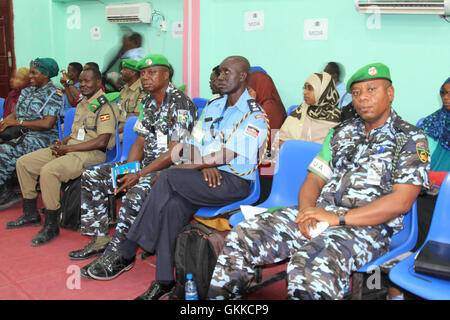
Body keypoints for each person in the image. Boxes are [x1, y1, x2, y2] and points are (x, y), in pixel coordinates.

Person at [208, 62, 430, 300]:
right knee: (244, 235)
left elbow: (401, 202)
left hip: (367, 226)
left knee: (311, 263)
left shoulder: (409, 138)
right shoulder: (341, 132)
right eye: (356, 93)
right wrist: (306, 211)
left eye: (372, 90)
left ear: (390, 93)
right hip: (319, 214)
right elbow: (314, 179)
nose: (363, 98)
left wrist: (337, 218)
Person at [86, 56, 269, 300]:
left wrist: (197, 165)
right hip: (205, 176)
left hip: (235, 183)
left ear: (243, 76)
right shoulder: (214, 107)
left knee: (168, 176)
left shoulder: (255, 115)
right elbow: (194, 142)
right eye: (220, 72)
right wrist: (201, 166)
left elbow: (227, 155)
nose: (221, 77)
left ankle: (129, 248)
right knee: (173, 206)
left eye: (227, 73)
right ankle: (164, 281)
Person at [69, 54, 197, 277]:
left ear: (166, 75)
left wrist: (139, 175)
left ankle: (120, 255)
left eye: (152, 72)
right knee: (92, 176)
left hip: (168, 171)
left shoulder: (182, 104)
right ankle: (100, 238)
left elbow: (176, 152)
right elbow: (139, 140)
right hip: (144, 166)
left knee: (135, 194)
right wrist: (129, 171)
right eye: (144, 73)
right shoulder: (147, 101)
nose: (146, 77)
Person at [5, 67, 120, 247]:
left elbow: (102, 141)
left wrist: (68, 149)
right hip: (72, 148)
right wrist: (62, 143)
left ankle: (51, 225)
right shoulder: (82, 102)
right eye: (81, 81)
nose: (82, 84)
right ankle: (30, 214)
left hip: (92, 154)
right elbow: (76, 132)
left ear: (98, 83)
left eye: (87, 81)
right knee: (24, 162)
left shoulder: (106, 105)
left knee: (49, 171)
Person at [0, 58, 63, 211]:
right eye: (30, 72)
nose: (30, 76)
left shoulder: (54, 93)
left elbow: (47, 123)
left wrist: (18, 123)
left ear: (46, 75)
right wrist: (4, 123)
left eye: (35, 73)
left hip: (42, 137)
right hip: (20, 133)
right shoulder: (28, 91)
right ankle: (5, 188)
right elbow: (17, 113)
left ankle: (4, 193)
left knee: (4, 152)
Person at [275, 72, 341, 151]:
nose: (305, 92)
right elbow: (280, 139)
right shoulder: (300, 111)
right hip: (293, 157)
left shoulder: (336, 119)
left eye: (310, 88)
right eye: (304, 88)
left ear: (323, 90)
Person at [116, 59, 146, 141]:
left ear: (133, 72)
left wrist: (116, 132)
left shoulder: (142, 91)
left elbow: (137, 117)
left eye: (125, 69)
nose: (121, 71)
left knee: (111, 141)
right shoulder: (124, 89)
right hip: (119, 127)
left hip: (131, 129)